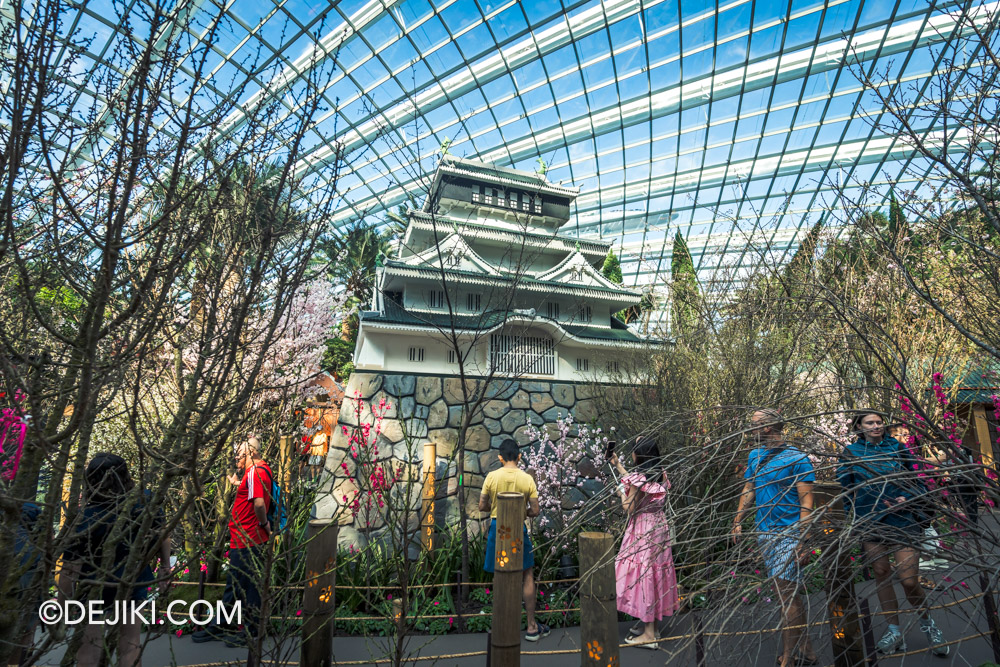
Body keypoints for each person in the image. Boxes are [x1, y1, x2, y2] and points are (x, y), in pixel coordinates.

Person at [838, 411, 948, 656]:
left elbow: (916, 481)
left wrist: (906, 497)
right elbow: (847, 491)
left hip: (902, 519)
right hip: (870, 521)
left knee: (909, 580)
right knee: (881, 573)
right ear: (859, 426)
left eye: (879, 422)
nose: (876, 426)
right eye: (870, 423)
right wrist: (854, 520)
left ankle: (928, 624)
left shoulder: (897, 447)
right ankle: (894, 630)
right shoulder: (850, 453)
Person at [59, 452, 171, 667]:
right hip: (133, 581)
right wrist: (165, 567)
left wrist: (64, 609)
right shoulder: (145, 502)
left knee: (90, 649)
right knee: (130, 646)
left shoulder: (85, 518)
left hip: (93, 587)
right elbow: (162, 535)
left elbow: (70, 569)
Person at [732, 409, 818, 667]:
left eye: (754, 425)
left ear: (768, 428)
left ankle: (788, 658)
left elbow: (807, 503)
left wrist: (803, 540)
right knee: (788, 594)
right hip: (764, 534)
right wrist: (737, 520)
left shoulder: (798, 459)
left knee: (787, 596)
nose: (750, 429)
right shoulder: (755, 455)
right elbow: (750, 488)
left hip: (788, 535)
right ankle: (808, 649)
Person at [610, 435, 678, 650]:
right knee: (656, 573)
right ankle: (653, 626)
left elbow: (629, 508)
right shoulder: (661, 473)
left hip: (643, 530)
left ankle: (649, 635)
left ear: (638, 454)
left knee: (644, 575)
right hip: (659, 527)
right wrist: (619, 467)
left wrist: (622, 492)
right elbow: (638, 482)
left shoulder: (640, 479)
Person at [478, 438, 549, 642]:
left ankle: (502, 626)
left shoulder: (491, 477)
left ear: (500, 458)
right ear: (519, 457)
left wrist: (496, 506)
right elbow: (535, 510)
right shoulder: (527, 479)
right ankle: (532, 626)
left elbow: (482, 506)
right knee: (527, 575)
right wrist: (521, 511)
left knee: (499, 576)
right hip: (519, 530)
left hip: (497, 530)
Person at [222, 435, 275, 648]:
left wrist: (264, 525)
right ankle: (228, 625)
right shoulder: (254, 473)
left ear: (252, 453)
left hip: (249, 537)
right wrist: (237, 483)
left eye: (240, 454)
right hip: (244, 537)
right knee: (241, 583)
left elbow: (259, 504)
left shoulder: (255, 473)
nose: (237, 459)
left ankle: (251, 631)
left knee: (248, 585)